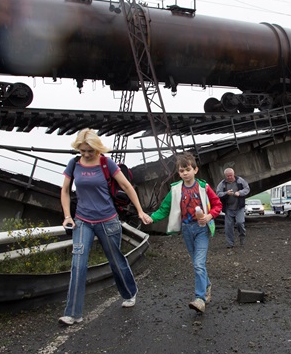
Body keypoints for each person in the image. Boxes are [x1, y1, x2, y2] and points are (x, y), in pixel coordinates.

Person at [58, 128, 152, 326]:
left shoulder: (105, 163)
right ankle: (73, 313)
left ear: (97, 148)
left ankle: (129, 293)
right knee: (78, 264)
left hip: (108, 220)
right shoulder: (74, 164)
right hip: (82, 220)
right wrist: (67, 216)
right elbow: (65, 190)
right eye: (82, 150)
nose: (85, 154)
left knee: (115, 261)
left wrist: (141, 211)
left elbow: (126, 186)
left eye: (89, 150)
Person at [146, 153, 222, 313]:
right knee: (196, 263)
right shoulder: (175, 190)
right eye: (181, 171)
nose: (185, 173)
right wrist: (151, 218)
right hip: (187, 230)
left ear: (195, 169)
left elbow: (217, 204)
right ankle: (207, 285)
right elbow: (164, 209)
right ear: (179, 173)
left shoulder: (203, 187)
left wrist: (209, 216)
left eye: (187, 169)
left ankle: (200, 298)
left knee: (198, 264)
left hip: (202, 229)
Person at [216, 168, 250, 248]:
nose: (229, 177)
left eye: (231, 175)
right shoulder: (222, 184)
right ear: (225, 176)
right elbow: (218, 193)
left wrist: (240, 193)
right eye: (227, 176)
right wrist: (226, 193)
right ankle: (230, 243)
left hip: (239, 207)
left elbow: (247, 189)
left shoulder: (240, 181)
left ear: (233, 174)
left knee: (240, 223)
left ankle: (242, 237)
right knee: (228, 227)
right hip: (228, 208)